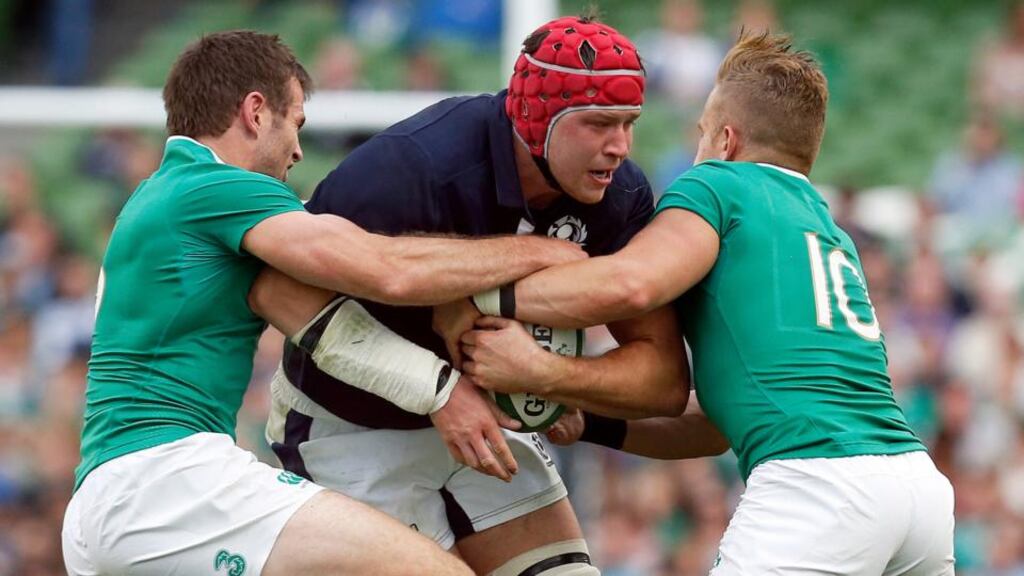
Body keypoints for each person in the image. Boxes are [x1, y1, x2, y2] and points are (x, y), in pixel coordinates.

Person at [61, 30, 587, 576]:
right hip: (168, 483)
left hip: (107, 504)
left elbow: (326, 327)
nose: (298, 150)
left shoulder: (159, 200)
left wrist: (451, 377)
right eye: (297, 123)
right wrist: (541, 250)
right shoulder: (215, 188)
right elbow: (388, 269)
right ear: (256, 112)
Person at [456, 32, 956, 575]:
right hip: (917, 492)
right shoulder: (827, 230)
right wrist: (587, 416)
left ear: (725, 139)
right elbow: (716, 425)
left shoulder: (717, 186)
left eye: (699, 135)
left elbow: (631, 286)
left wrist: (479, 295)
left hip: (819, 487)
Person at [247, 15, 688, 576]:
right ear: (535, 118)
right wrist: (437, 389)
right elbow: (276, 288)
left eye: (629, 123)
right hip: (349, 426)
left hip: (489, 424)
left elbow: (665, 381)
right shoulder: (415, 164)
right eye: (599, 123)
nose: (620, 147)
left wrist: (544, 373)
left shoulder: (619, 195)